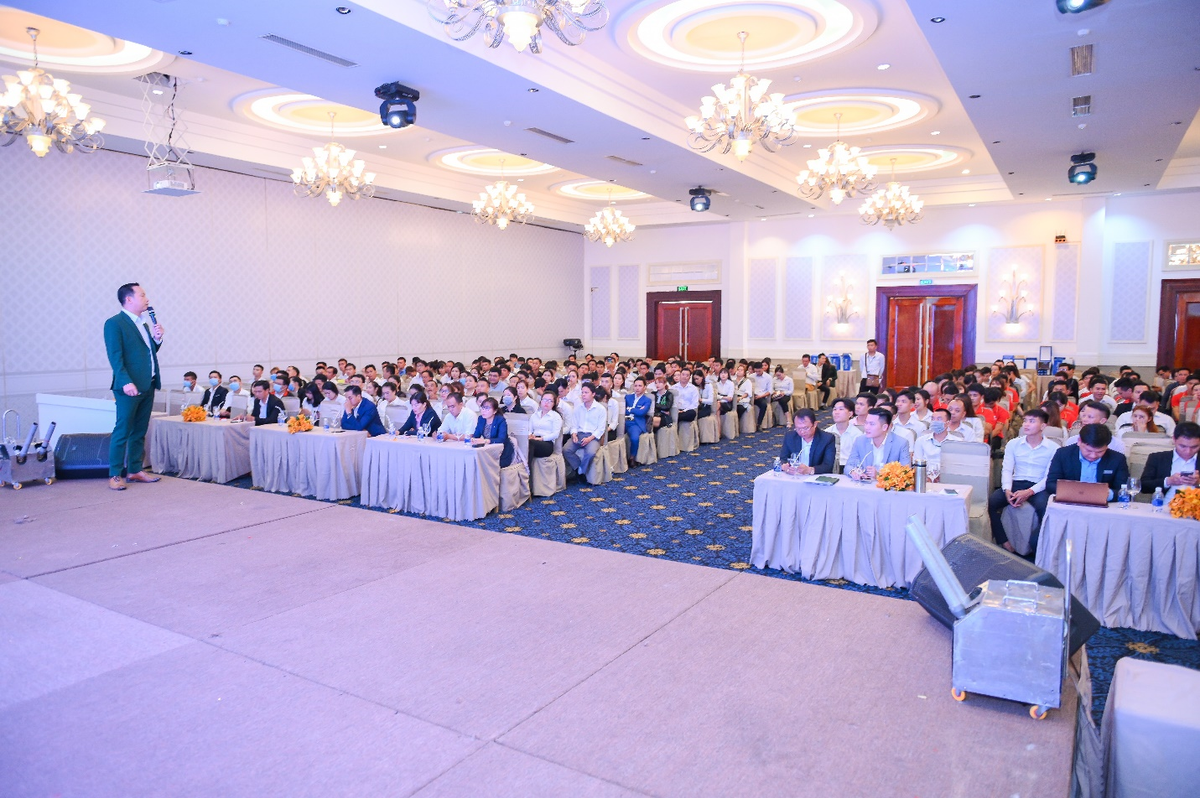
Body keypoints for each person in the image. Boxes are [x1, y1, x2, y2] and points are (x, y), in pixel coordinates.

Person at [103, 282, 164, 490]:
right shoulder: (115, 323)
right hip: (128, 386)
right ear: (129, 299)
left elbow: (146, 353)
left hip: (148, 383)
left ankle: (135, 470)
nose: (147, 299)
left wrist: (157, 339)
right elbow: (115, 356)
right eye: (142, 295)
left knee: (139, 430)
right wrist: (125, 381)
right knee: (123, 430)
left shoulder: (143, 323)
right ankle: (115, 474)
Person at [988, 409, 1059, 553]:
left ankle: (1037, 546)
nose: (1026, 424)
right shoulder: (1013, 444)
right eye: (1025, 420)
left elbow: (1049, 477)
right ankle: (1004, 541)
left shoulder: (1054, 448)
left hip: (1038, 486)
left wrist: (1030, 492)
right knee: (991, 503)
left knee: (1046, 509)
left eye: (1032, 421)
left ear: (1043, 426)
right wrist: (1007, 489)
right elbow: (1007, 469)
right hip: (1016, 482)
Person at [1045, 423, 1130, 502]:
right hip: (1069, 501)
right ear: (1079, 441)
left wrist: (1107, 494)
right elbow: (1051, 484)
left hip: (1103, 503)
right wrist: (1077, 493)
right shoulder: (1063, 454)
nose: (1093, 456)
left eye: (1100, 452)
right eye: (1088, 450)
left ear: (1107, 446)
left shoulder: (1117, 459)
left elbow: (1124, 490)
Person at [1138, 421, 1200, 500]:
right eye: (1183, 446)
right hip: (1164, 505)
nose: (1188, 451)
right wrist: (1168, 481)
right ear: (1174, 439)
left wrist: (1198, 483)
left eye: (1194, 447)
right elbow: (1143, 486)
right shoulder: (1157, 458)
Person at [845, 407, 910, 480]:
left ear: (884, 427)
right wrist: (853, 472)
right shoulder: (860, 440)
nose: (867, 427)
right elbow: (848, 465)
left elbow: (905, 473)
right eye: (866, 423)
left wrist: (879, 475)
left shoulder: (901, 443)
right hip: (864, 484)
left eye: (872, 424)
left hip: (887, 486)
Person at [564, 383, 608, 477]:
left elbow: (601, 429)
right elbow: (574, 425)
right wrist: (574, 434)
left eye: (586, 392)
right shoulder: (578, 408)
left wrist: (589, 438)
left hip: (593, 437)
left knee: (590, 453)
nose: (583, 395)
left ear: (593, 394)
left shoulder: (600, 409)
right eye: (582, 392)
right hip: (579, 434)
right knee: (566, 450)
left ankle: (582, 472)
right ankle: (578, 468)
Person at [778, 409, 836, 475]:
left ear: (815, 424)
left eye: (805, 428)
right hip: (794, 475)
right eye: (798, 428)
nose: (802, 432)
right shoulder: (790, 437)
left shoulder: (827, 439)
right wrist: (785, 466)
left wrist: (809, 470)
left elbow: (828, 466)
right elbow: (783, 458)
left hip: (815, 477)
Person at [913, 408, 964, 479]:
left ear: (948, 423)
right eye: (933, 419)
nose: (935, 422)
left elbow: (958, 467)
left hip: (949, 479)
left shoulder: (957, 442)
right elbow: (917, 464)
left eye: (939, 419)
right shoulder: (921, 441)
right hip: (925, 479)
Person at [470, 397, 514, 467]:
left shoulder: (500, 420)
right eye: (483, 408)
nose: (484, 411)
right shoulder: (481, 419)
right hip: (488, 450)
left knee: (484, 464)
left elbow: (501, 439)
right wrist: (473, 439)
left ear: (494, 411)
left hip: (502, 452)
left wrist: (485, 441)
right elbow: (476, 435)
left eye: (487, 408)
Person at [824, 397, 863, 470]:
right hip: (830, 467)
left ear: (850, 414)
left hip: (850, 467)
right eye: (834, 409)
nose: (836, 412)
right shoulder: (827, 432)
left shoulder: (857, 435)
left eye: (841, 409)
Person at [625, 377, 653, 465]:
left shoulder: (647, 400)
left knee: (634, 438)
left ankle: (632, 457)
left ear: (644, 387)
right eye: (635, 386)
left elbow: (641, 413)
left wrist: (630, 409)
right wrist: (635, 410)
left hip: (636, 423)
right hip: (624, 421)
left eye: (640, 386)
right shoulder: (627, 397)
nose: (637, 388)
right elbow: (623, 410)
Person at [529, 391, 564, 458]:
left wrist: (541, 438)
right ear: (541, 401)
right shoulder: (535, 415)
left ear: (553, 404)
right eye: (544, 400)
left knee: (530, 443)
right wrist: (530, 435)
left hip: (547, 443)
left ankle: (527, 464)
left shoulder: (556, 416)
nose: (546, 402)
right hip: (534, 439)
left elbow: (555, 434)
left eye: (550, 401)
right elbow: (529, 429)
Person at [751, 361, 772, 427]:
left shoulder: (768, 377)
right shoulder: (751, 376)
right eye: (756, 371)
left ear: (762, 369)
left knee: (763, 405)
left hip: (762, 396)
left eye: (759, 371)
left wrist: (760, 396)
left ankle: (759, 424)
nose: (757, 373)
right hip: (752, 396)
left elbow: (769, 391)